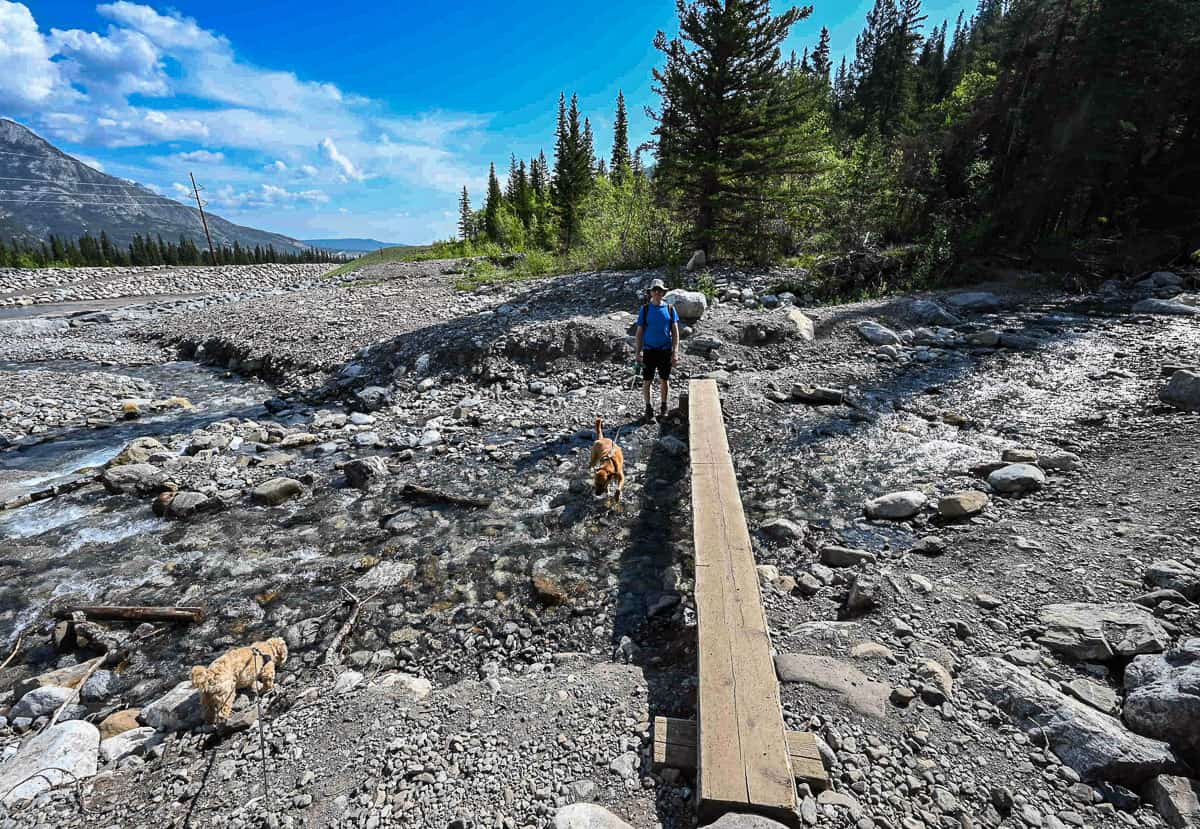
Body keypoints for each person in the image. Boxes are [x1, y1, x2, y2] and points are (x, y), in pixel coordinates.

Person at [634, 278, 680, 421]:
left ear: (663, 292)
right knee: (647, 380)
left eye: (659, 290)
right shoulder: (645, 309)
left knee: (664, 380)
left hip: (665, 350)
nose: (657, 292)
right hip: (649, 350)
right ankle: (648, 407)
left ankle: (664, 406)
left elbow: (675, 332)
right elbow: (639, 331)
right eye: (655, 290)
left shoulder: (670, 309)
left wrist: (675, 351)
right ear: (651, 293)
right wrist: (638, 352)